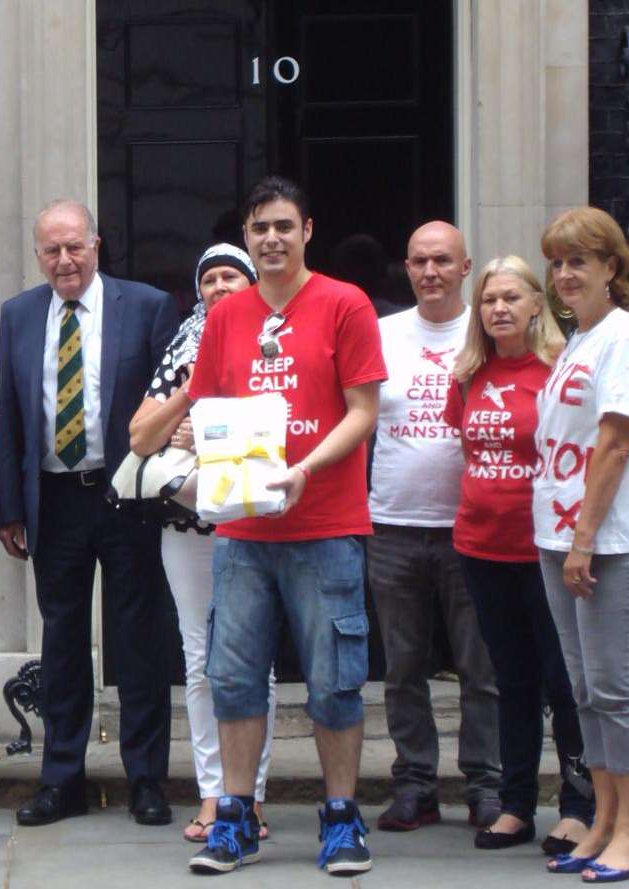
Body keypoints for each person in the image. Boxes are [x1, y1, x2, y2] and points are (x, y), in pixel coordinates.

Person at [184, 176, 385, 877]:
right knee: (233, 677)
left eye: (282, 226)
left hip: (325, 522)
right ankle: (234, 818)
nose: (270, 238)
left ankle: (339, 819)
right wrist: (206, 453)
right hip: (244, 531)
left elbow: (363, 409)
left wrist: (305, 466)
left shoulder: (343, 303)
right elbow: (208, 407)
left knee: (334, 680)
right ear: (245, 237)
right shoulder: (225, 316)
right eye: (258, 228)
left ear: (306, 231)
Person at [0, 199, 178, 828]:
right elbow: (13, 418)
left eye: (75, 247)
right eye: (52, 250)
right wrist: (11, 508)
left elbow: (166, 401)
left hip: (126, 494)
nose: (65, 260)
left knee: (139, 640)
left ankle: (147, 779)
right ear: (38, 254)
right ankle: (61, 780)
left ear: (96, 246)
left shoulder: (147, 306)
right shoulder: (18, 315)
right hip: (55, 498)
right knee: (64, 643)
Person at [441, 256, 589, 855]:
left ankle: (579, 806)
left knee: (562, 680)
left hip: (547, 551)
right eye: (488, 300)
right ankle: (518, 805)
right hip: (481, 547)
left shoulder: (558, 371)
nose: (498, 308)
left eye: (510, 298)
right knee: (512, 680)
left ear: (536, 305)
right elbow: (467, 446)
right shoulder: (469, 376)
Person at [127, 243, 276, 843]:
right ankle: (214, 794)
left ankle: (253, 797)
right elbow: (141, 436)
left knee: (253, 665)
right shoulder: (183, 346)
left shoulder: (273, 341)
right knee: (199, 662)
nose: (219, 286)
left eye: (231, 276)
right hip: (187, 528)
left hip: (254, 525)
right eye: (209, 278)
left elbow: (284, 421)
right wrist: (187, 400)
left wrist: (209, 432)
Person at [368, 221, 501, 832]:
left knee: (483, 668)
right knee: (402, 670)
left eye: (443, 261)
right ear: (406, 267)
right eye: (419, 261)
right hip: (392, 525)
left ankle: (486, 785)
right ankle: (415, 785)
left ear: (465, 268)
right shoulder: (381, 333)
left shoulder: (490, 331)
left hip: (474, 530)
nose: (430, 272)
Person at [535, 207, 629, 881]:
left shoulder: (622, 337)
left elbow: (614, 439)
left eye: (579, 261)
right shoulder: (577, 338)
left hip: (602, 539)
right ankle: (602, 817)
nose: (565, 274)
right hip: (555, 535)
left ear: (611, 267)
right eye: (557, 262)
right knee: (582, 689)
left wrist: (581, 538)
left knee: (613, 686)